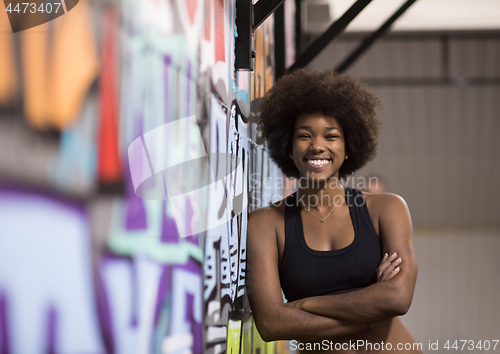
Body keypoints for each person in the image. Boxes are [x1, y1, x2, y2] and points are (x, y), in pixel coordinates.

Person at [246, 69, 421, 353]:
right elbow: (271, 324)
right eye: (304, 136)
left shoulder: (386, 209)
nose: (317, 146)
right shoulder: (266, 224)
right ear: (288, 147)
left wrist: (305, 305)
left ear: (348, 146)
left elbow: (398, 298)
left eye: (331, 136)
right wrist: (370, 310)